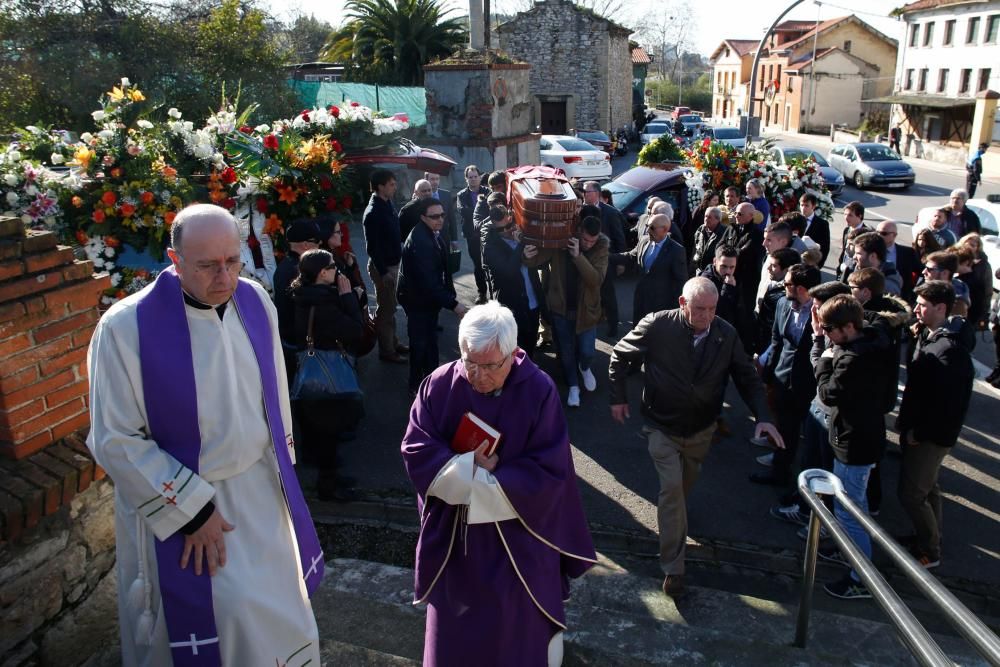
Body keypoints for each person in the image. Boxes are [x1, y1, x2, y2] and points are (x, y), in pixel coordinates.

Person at [87, 204, 323, 666]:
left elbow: (273, 396)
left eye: (233, 261)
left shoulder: (255, 302)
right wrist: (190, 511)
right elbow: (114, 437)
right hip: (189, 505)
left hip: (258, 495)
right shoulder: (124, 328)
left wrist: (285, 477)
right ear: (174, 261)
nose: (225, 277)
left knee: (285, 612)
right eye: (207, 265)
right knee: (224, 619)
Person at [400, 302, 596, 666]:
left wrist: (489, 480)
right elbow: (416, 448)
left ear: (512, 353)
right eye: (469, 362)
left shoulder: (538, 390)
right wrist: (468, 468)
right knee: (455, 643)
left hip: (518, 540)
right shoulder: (441, 384)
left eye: (489, 365)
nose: (477, 375)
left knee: (514, 639)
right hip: (456, 540)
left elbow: (550, 471)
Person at [608, 277, 783, 596]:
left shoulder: (725, 334)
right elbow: (619, 356)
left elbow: (746, 377)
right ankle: (674, 567)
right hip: (661, 424)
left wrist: (764, 417)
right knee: (672, 490)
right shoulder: (658, 325)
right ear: (682, 303)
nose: (707, 316)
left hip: (702, 428)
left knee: (684, 486)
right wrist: (618, 397)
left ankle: (675, 520)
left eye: (712, 309)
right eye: (699, 309)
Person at [811, 295, 891, 600]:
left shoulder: (851, 359)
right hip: (862, 436)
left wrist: (824, 357)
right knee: (851, 505)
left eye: (829, 329)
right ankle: (848, 550)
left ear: (847, 327)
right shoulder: (875, 343)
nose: (826, 334)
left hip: (854, 442)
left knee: (850, 511)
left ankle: (862, 577)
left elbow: (828, 393)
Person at [897, 281, 975, 569]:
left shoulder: (948, 350)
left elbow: (948, 405)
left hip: (931, 436)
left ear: (941, 308)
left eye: (923, 305)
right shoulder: (932, 336)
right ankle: (929, 538)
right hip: (921, 430)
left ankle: (930, 550)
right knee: (928, 488)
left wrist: (920, 431)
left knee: (912, 494)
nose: (916, 308)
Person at [290, 249, 365, 501]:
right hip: (326, 378)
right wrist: (348, 298)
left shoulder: (304, 295)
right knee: (328, 435)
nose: (337, 270)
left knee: (323, 435)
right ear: (322, 273)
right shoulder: (323, 304)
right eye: (333, 266)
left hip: (312, 377)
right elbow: (356, 331)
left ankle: (331, 479)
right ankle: (328, 488)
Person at [524, 216, 608, 407]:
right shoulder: (563, 242)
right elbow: (539, 258)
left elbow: (595, 280)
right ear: (579, 232)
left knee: (587, 351)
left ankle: (585, 367)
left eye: (592, 241)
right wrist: (527, 256)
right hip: (560, 308)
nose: (588, 244)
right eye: (585, 239)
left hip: (586, 311)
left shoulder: (601, 248)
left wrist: (578, 256)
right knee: (566, 351)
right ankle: (573, 387)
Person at [755, 263, 823, 487]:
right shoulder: (783, 304)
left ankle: (807, 485)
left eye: (788, 284)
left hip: (811, 383)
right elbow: (776, 340)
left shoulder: (824, 312)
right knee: (785, 427)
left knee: (812, 437)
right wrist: (768, 375)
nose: (784, 287)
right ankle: (780, 472)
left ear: (802, 289)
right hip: (783, 378)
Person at [397, 198, 470, 396]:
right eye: (435, 216)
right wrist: (454, 304)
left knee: (429, 341)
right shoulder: (421, 242)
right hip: (417, 300)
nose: (440, 220)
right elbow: (429, 283)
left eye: (442, 215)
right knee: (420, 343)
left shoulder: (430, 233)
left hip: (425, 300)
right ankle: (416, 386)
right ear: (423, 217)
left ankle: (432, 380)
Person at [481, 204, 543, 358]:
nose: (506, 231)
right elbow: (508, 271)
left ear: (511, 217)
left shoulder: (523, 233)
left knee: (530, 341)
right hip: (512, 304)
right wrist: (521, 247)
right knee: (514, 348)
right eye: (500, 229)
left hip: (532, 301)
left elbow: (541, 262)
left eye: (508, 225)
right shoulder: (490, 246)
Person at [363, 168, 408, 363]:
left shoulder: (387, 204)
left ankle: (393, 342)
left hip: (392, 264)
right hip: (383, 267)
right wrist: (383, 272)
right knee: (386, 309)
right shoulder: (373, 212)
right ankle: (386, 351)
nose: (395, 187)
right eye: (391, 184)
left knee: (390, 307)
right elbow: (372, 248)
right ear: (380, 187)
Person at [611, 211, 687, 326]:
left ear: (665, 230)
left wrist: (674, 310)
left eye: (652, 228)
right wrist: (607, 257)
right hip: (641, 299)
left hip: (660, 305)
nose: (647, 231)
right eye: (647, 226)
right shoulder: (644, 241)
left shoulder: (676, 251)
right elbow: (631, 256)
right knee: (638, 332)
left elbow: (680, 282)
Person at [272, 219, 320, 380]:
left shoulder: (284, 265)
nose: (320, 245)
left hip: (289, 338)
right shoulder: (301, 271)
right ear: (306, 245)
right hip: (301, 343)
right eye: (317, 242)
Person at [583, 181, 626, 336]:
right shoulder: (581, 211)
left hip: (605, 260)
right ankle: (594, 319)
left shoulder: (610, 212)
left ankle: (613, 324)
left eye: (587, 191)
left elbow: (619, 237)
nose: (584, 194)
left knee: (607, 294)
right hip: (586, 260)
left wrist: (620, 263)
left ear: (596, 193)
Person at [755, 247, 801, 353]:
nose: (769, 269)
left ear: (787, 270)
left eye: (774, 266)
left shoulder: (787, 297)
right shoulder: (774, 284)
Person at [456, 166, 491, 303]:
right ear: (466, 179)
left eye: (475, 176)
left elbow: (491, 209)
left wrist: (476, 211)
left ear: (480, 177)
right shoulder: (461, 195)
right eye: (470, 177)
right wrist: (481, 209)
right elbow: (463, 211)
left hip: (488, 233)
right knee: (478, 265)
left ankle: (495, 291)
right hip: (472, 236)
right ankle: (482, 293)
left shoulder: (487, 191)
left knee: (492, 262)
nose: (473, 179)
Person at [731, 202, 766, 340]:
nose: (736, 216)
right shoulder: (732, 228)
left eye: (740, 214)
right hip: (733, 277)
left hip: (746, 281)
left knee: (743, 314)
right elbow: (721, 245)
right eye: (736, 213)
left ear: (751, 216)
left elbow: (743, 253)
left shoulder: (755, 234)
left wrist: (728, 254)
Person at [956, 233, 994, 330]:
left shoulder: (983, 265)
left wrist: (984, 313)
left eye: (973, 245)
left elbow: (987, 291)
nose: (969, 247)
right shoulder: (955, 257)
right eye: (966, 244)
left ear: (978, 248)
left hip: (973, 307)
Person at [876, 221, 920, 302]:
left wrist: (915, 291)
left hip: (901, 298)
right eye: (877, 232)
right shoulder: (870, 251)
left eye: (884, 233)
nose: (879, 236)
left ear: (894, 235)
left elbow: (921, 272)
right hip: (876, 297)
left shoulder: (908, 252)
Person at [699, 245, 740, 326]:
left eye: (732, 267)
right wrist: (728, 288)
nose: (728, 271)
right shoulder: (705, 281)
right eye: (723, 266)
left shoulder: (735, 277)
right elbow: (716, 311)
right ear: (715, 261)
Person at [850, 231, 902, 296]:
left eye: (858, 254)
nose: (854, 257)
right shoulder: (852, 269)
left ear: (873, 256)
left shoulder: (889, 281)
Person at [690, 205, 734, 274]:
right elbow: (695, 249)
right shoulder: (701, 229)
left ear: (718, 219)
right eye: (705, 216)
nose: (706, 219)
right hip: (699, 270)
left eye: (709, 217)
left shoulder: (725, 232)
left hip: (714, 273)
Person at [836, 201, 872, 282]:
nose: (846, 218)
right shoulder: (846, 230)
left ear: (860, 216)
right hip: (843, 271)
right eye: (845, 214)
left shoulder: (867, 234)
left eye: (850, 215)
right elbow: (844, 252)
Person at [425, 170, 459, 246]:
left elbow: (452, 218)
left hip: (444, 237)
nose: (435, 182)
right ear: (426, 180)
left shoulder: (446, 194)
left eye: (437, 179)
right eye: (432, 179)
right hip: (427, 238)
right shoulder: (422, 196)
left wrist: (454, 239)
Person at [798, 193, 831, 267]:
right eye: (801, 205)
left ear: (813, 206)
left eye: (806, 205)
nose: (803, 208)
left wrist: (818, 265)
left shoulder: (822, 224)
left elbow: (825, 247)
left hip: (810, 264)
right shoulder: (795, 219)